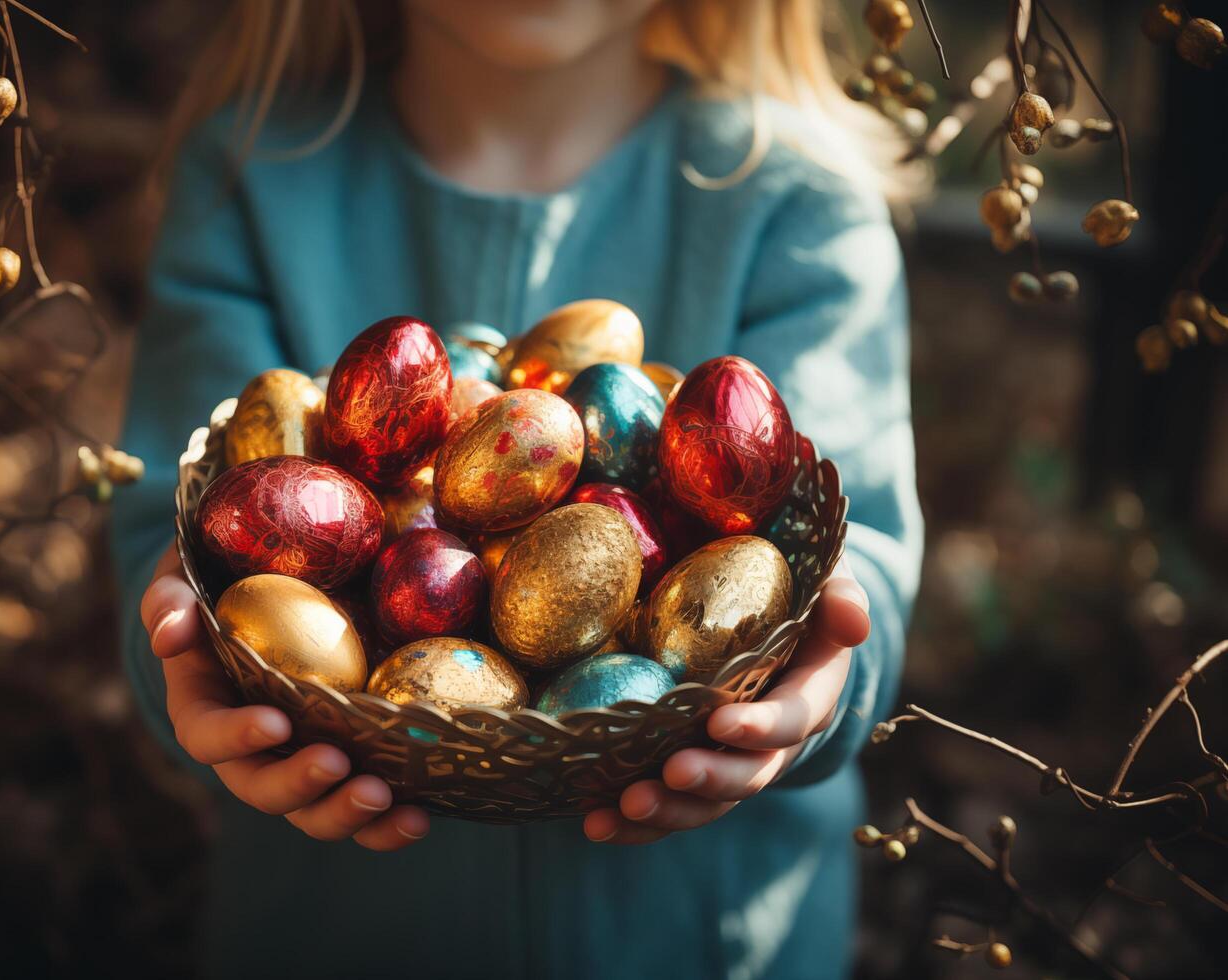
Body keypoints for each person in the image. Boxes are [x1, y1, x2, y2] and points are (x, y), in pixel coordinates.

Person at [113, 1, 923, 976]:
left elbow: (850, 550)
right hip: (338, 934)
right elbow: (183, 535)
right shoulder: (251, 174)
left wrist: (813, 694)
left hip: (703, 939)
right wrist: (194, 676)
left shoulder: (798, 201)